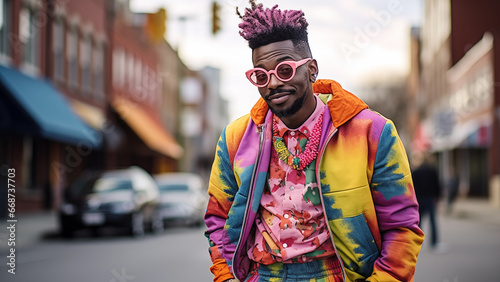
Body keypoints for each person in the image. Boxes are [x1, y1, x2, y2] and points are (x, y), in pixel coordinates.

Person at [204, 1, 424, 281]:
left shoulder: (372, 132)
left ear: (311, 70)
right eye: (261, 75)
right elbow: (217, 218)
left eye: (284, 70)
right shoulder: (236, 138)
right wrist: (226, 277)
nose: (272, 84)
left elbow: (402, 226)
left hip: (336, 274)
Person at [412, 153, 441, 250]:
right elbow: (437, 185)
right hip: (430, 198)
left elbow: (412, 188)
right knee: (432, 221)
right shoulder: (432, 171)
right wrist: (438, 197)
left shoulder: (415, 172)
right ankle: (434, 242)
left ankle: (417, 242)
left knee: (419, 222)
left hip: (419, 199)